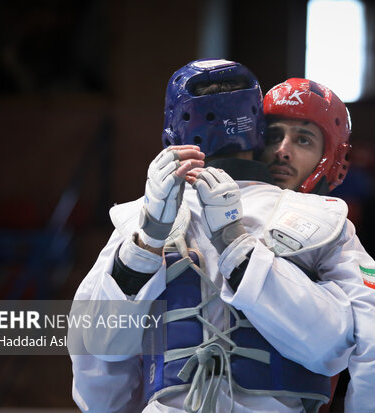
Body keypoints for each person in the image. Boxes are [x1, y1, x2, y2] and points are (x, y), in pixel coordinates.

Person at [70, 59, 359, 413]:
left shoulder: (136, 221)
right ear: (257, 129)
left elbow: (96, 363)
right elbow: (342, 346)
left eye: (302, 140)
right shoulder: (324, 220)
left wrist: (152, 242)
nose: (284, 151)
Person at [256, 78, 375, 412]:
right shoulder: (200, 204)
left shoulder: (335, 233)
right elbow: (119, 324)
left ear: (328, 159)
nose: (283, 149)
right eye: (273, 136)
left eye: (303, 140)